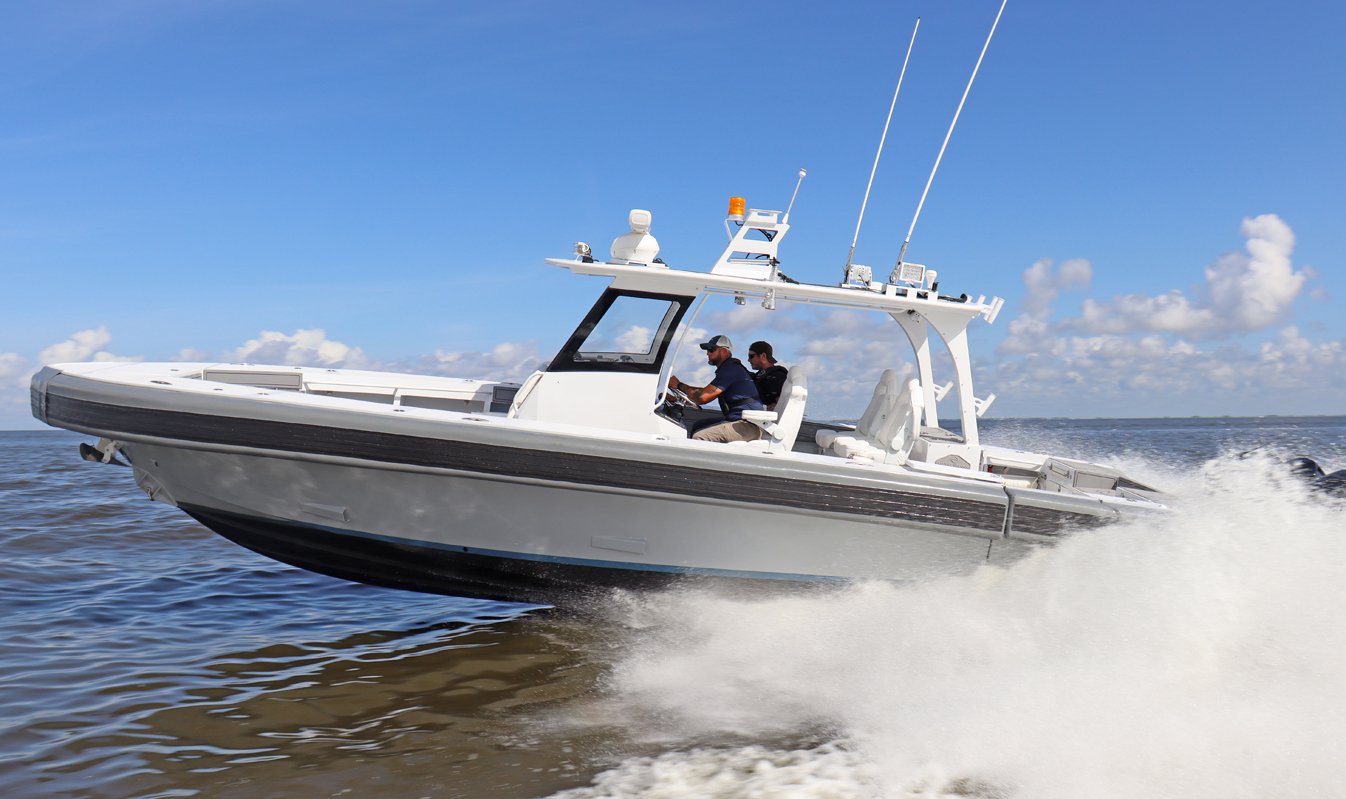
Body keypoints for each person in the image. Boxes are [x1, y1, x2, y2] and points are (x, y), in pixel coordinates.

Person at [667, 334, 764, 442]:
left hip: (749, 426)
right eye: (708, 350)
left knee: (699, 437)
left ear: (723, 351)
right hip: (742, 422)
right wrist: (675, 398)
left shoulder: (730, 370)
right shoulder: (729, 369)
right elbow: (706, 393)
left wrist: (679, 385)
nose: (707, 353)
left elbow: (703, 397)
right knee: (698, 425)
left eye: (711, 349)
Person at [747, 340, 789, 410]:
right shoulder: (759, 377)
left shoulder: (776, 377)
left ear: (763, 356)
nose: (749, 360)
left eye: (751, 356)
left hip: (766, 419)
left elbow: (784, 407)